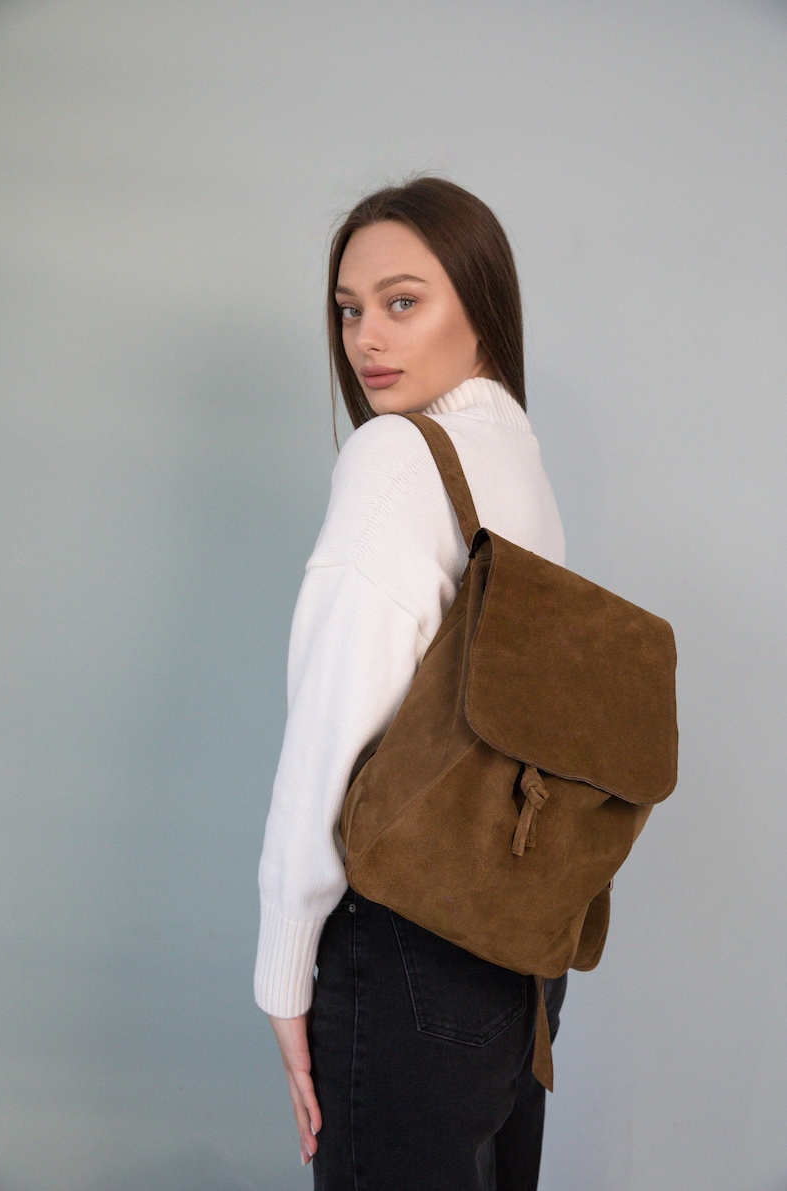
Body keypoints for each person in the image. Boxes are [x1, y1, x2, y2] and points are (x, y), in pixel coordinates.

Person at [254, 176, 569, 1189]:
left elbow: (331, 728)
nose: (364, 340)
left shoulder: (398, 456)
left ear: (477, 302)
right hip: (519, 959)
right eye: (348, 310)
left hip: (404, 950)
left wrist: (283, 968)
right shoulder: (513, 456)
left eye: (401, 301)